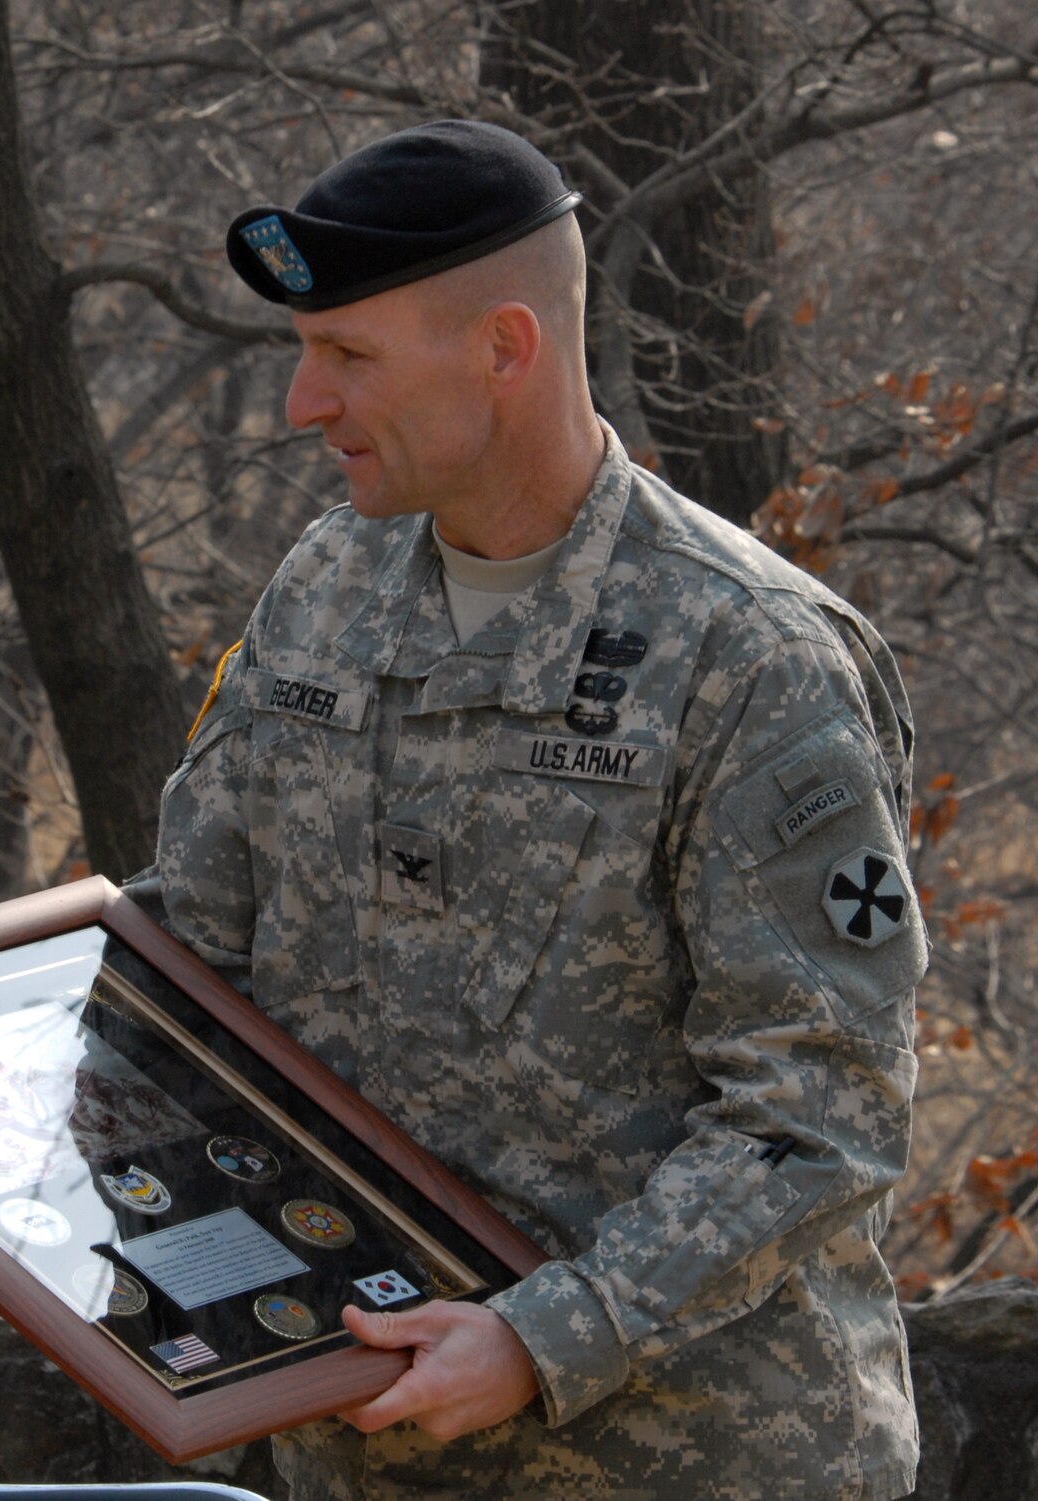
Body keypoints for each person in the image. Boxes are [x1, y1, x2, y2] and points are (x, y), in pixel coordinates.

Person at [154, 120, 924, 1500]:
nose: (303, 405)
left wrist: (543, 1336)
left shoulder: (745, 652)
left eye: (348, 357)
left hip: (689, 1464)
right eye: (304, 354)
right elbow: (194, 956)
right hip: (368, 1452)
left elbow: (818, 1103)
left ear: (505, 349)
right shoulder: (325, 589)